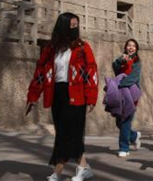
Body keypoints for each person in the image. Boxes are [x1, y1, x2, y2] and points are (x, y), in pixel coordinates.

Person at [26, 13, 97, 181]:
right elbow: (40, 72)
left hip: (76, 96)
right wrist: (33, 95)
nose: (75, 28)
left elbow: (91, 73)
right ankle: (84, 167)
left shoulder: (82, 47)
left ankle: (57, 173)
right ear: (63, 26)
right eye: (72, 25)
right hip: (57, 94)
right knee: (68, 133)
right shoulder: (51, 49)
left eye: (76, 25)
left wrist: (91, 97)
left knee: (64, 134)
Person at [112, 39, 142, 157]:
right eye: (129, 45)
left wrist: (118, 84)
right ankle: (134, 136)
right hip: (120, 93)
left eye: (133, 46)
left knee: (125, 120)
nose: (131, 48)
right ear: (125, 47)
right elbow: (115, 68)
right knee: (119, 122)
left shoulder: (137, 62)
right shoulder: (122, 60)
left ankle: (124, 148)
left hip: (131, 94)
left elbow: (133, 78)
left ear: (136, 49)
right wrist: (120, 61)